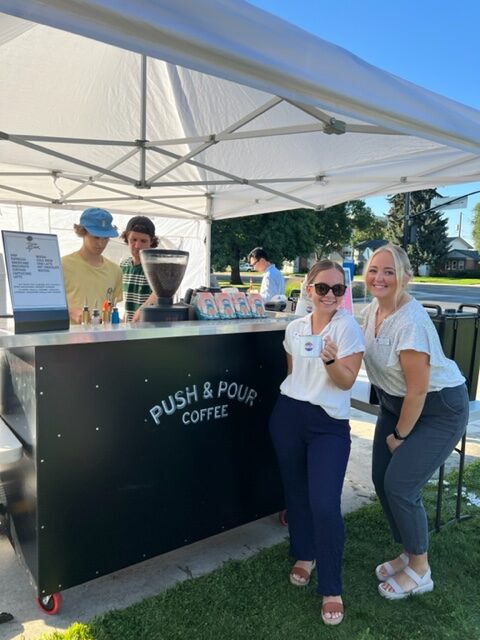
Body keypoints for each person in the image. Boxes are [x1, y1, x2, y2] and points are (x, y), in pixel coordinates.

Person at [362, 244, 469, 600]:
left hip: (438, 408)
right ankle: (408, 551)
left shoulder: (411, 321)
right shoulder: (370, 311)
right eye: (374, 269)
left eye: (389, 271)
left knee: (401, 485)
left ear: (406, 277)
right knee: (381, 479)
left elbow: (419, 391)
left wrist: (399, 436)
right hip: (396, 403)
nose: (379, 277)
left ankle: (421, 570)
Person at [269, 260, 364, 625]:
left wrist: (329, 359)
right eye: (322, 288)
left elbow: (344, 383)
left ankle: (332, 587)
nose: (330, 295)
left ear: (344, 293)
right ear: (308, 289)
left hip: (329, 424)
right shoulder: (294, 328)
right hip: (289, 415)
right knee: (295, 493)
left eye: (338, 289)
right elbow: (294, 376)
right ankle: (304, 553)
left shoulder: (348, 328)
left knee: (324, 503)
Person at [62, 208, 123, 324]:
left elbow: (111, 309)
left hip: (104, 339)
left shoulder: (115, 271)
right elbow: (45, 304)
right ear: (82, 232)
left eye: (105, 238)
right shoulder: (62, 266)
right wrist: (70, 311)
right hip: (70, 339)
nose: (101, 243)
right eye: (96, 237)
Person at [120, 216, 159, 321]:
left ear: (151, 242)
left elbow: (160, 294)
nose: (137, 245)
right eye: (133, 240)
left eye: (143, 241)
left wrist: (143, 310)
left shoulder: (158, 265)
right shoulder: (124, 266)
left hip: (151, 327)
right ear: (127, 239)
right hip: (129, 328)